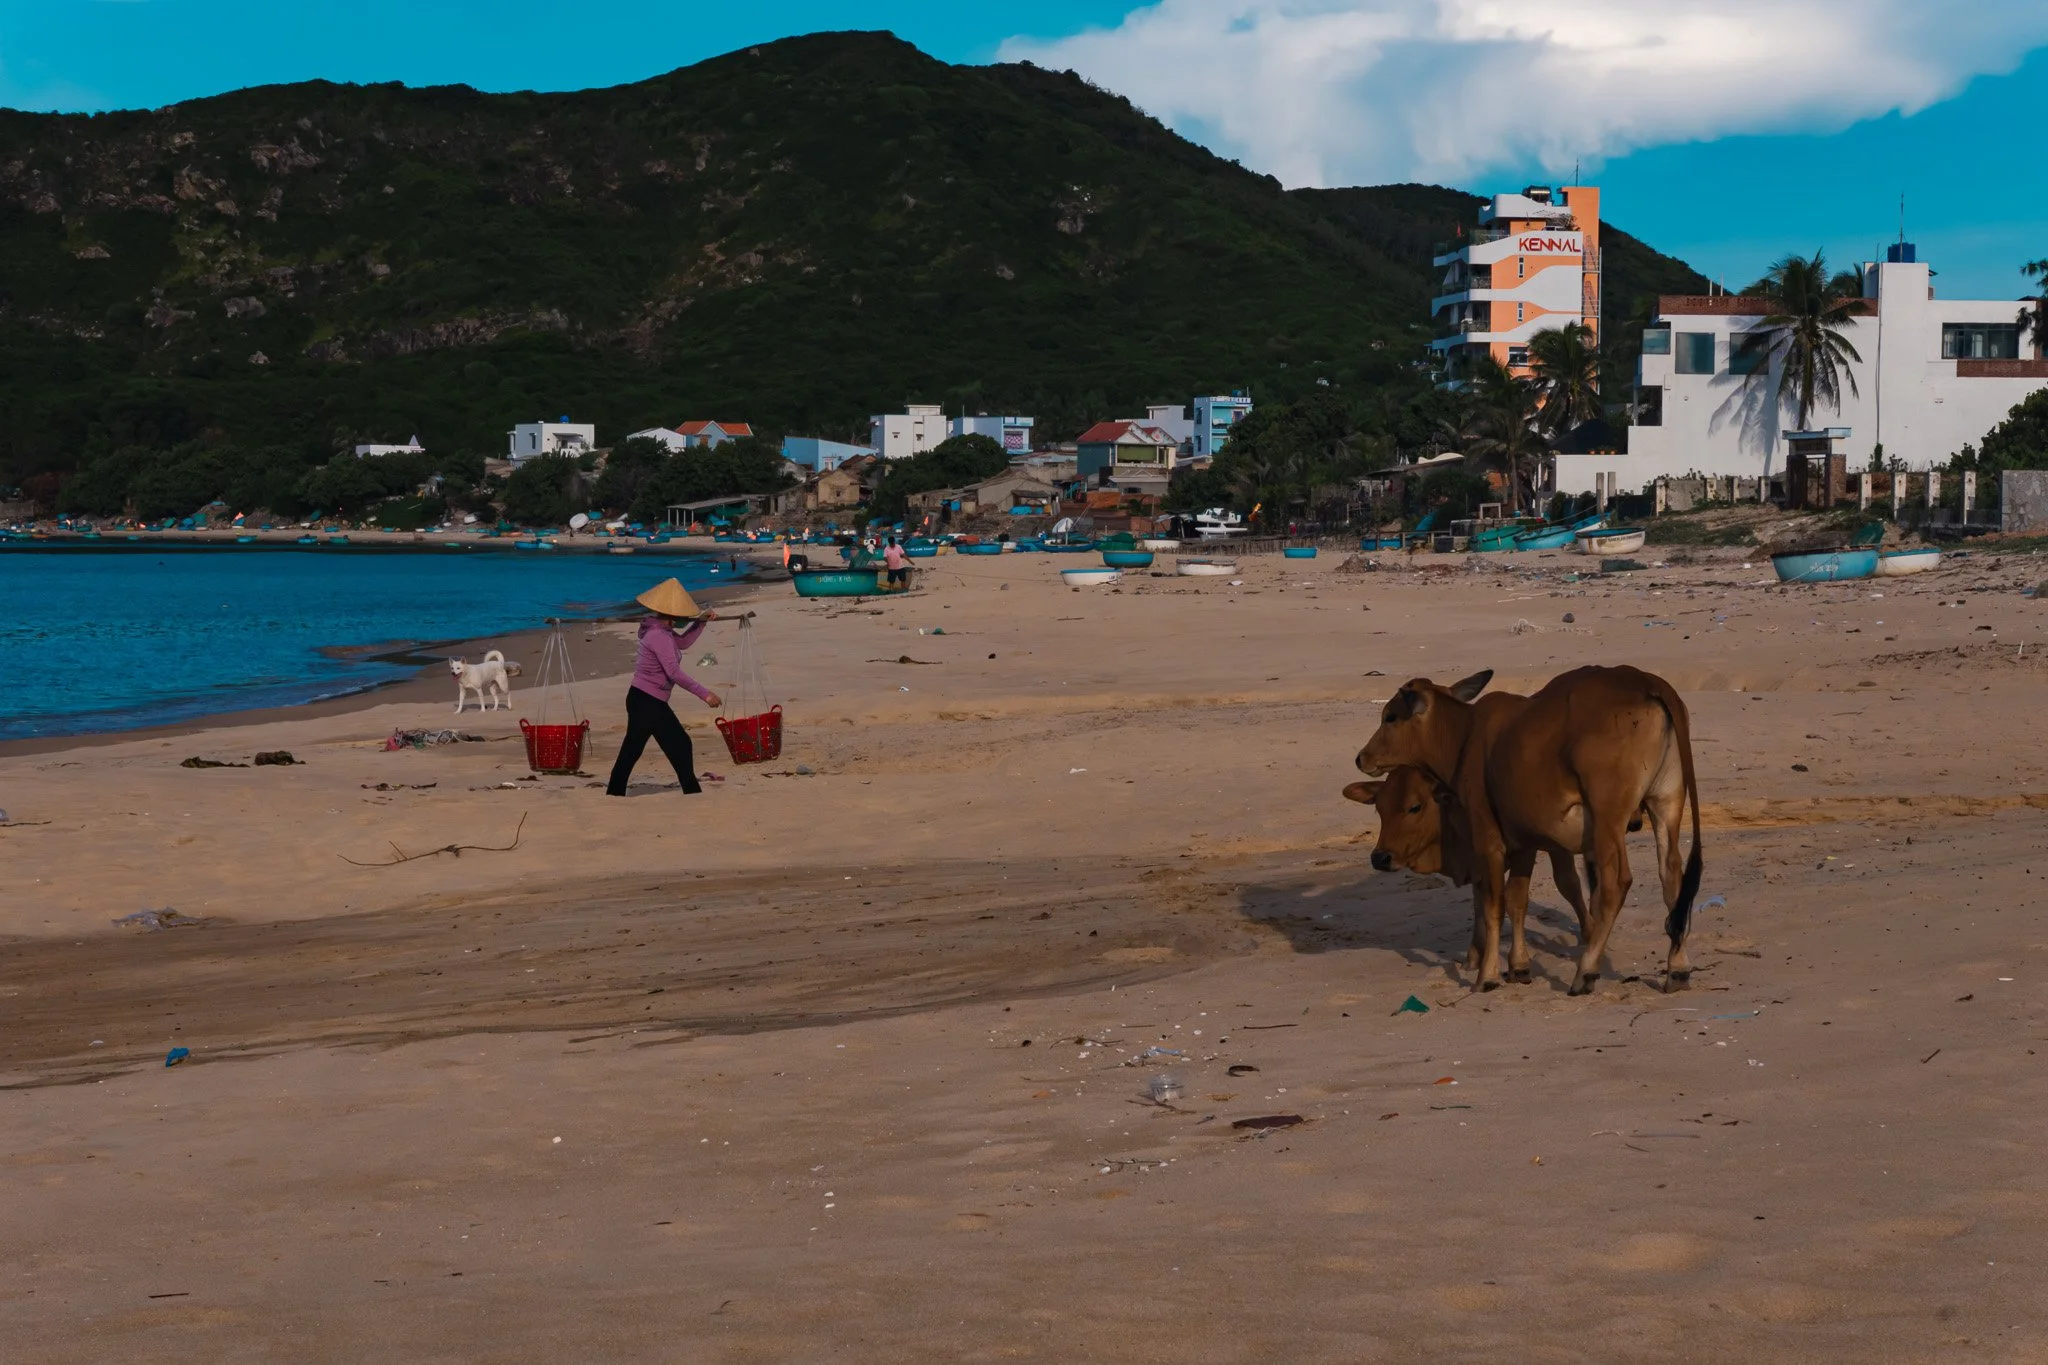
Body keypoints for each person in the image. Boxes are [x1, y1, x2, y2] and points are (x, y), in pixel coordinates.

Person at [606, 578, 722, 796]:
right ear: (672, 616)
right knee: (674, 744)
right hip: (646, 700)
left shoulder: (663, 631)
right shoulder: (657, 635)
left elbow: (683, 643)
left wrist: (700, 622)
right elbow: (674, 673)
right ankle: (691, 790)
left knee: (639, 748)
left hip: (648, 700)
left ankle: (615, 792)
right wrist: (705, 695)